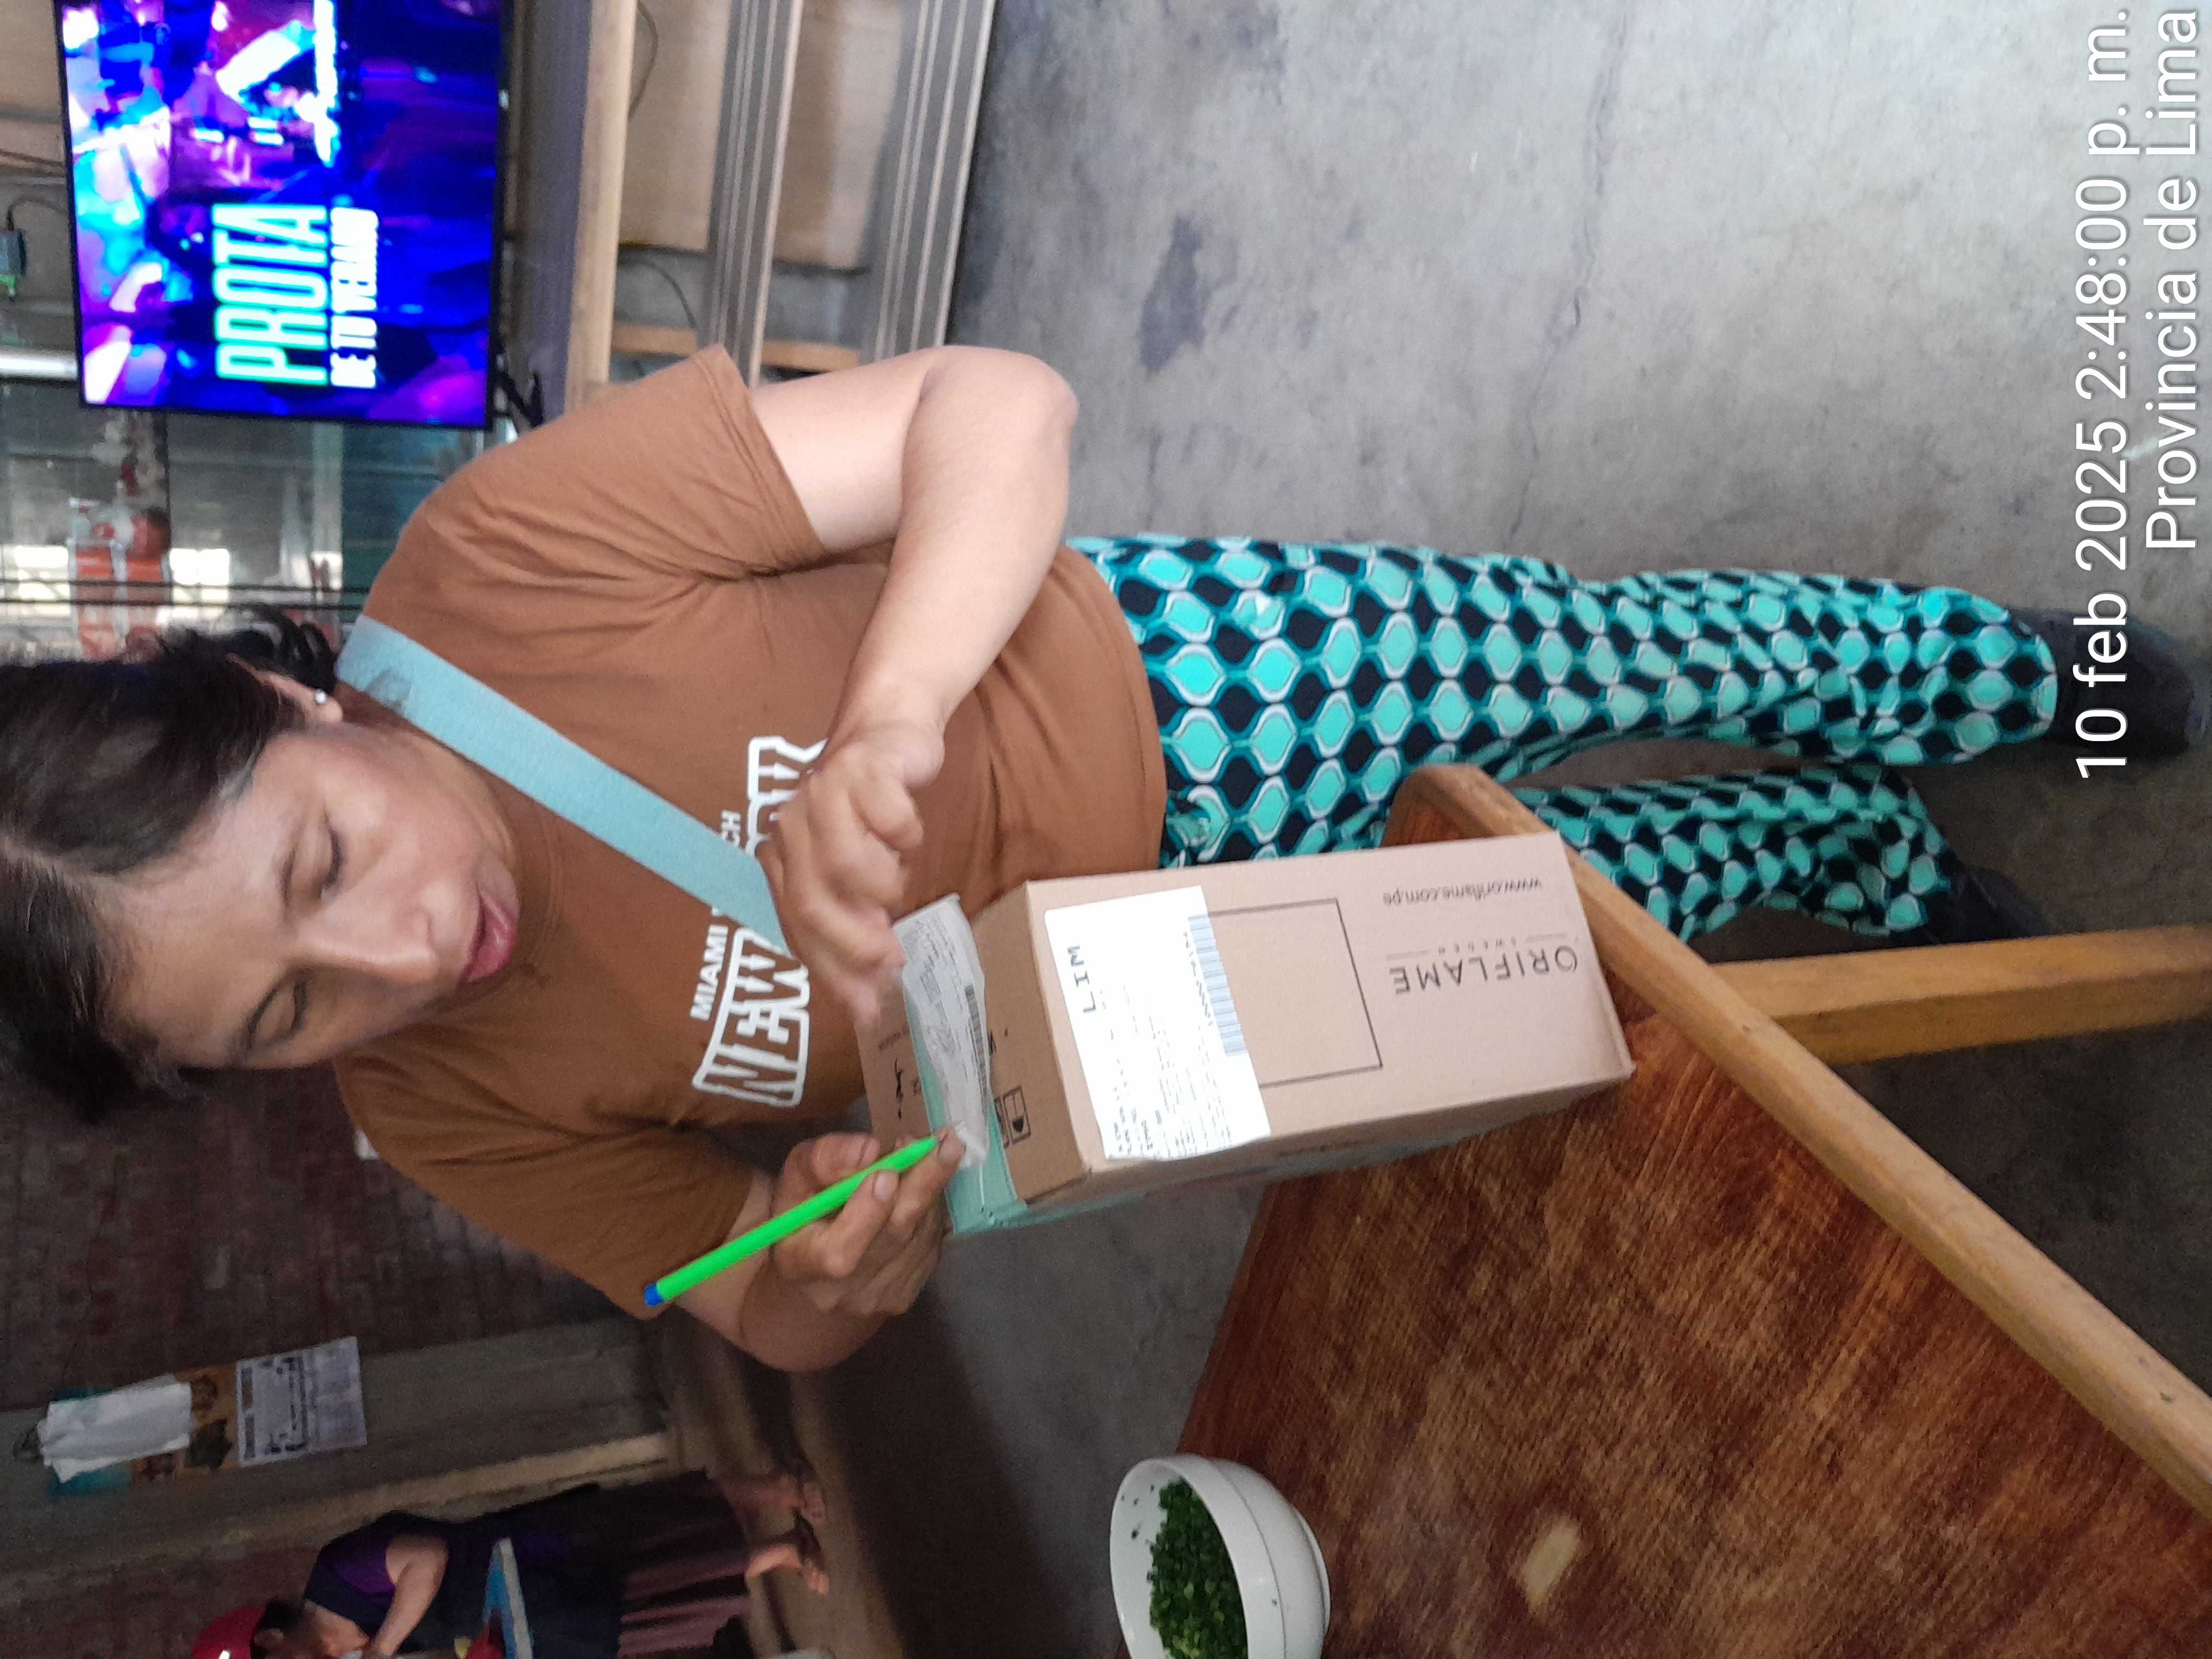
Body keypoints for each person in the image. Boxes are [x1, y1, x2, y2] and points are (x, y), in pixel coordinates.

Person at [0, 348, 2200, 1372]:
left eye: (322, 863)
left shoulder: (505, 566)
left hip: (1187, 681)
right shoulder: (438, 1110)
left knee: (1615, 658)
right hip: (1144, 1022)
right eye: (289, 1017)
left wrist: (892, 715)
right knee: (1589, 930)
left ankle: (2008, 678)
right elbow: (747, 1295)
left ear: (285, 698)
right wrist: (838, 1260)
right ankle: (1855, 852)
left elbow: (999, 409)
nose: (406, 956)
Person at [188, 1469, 827, 1659]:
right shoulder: (344, 1655)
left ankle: (779, 1488)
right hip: (541, 1620)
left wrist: (382, 1647)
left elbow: (427, 1558)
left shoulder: (338, 1573)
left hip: (538, 1549)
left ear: (270, 1640)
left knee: (659, 1521)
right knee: (659, 1596)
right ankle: (784, 1552)